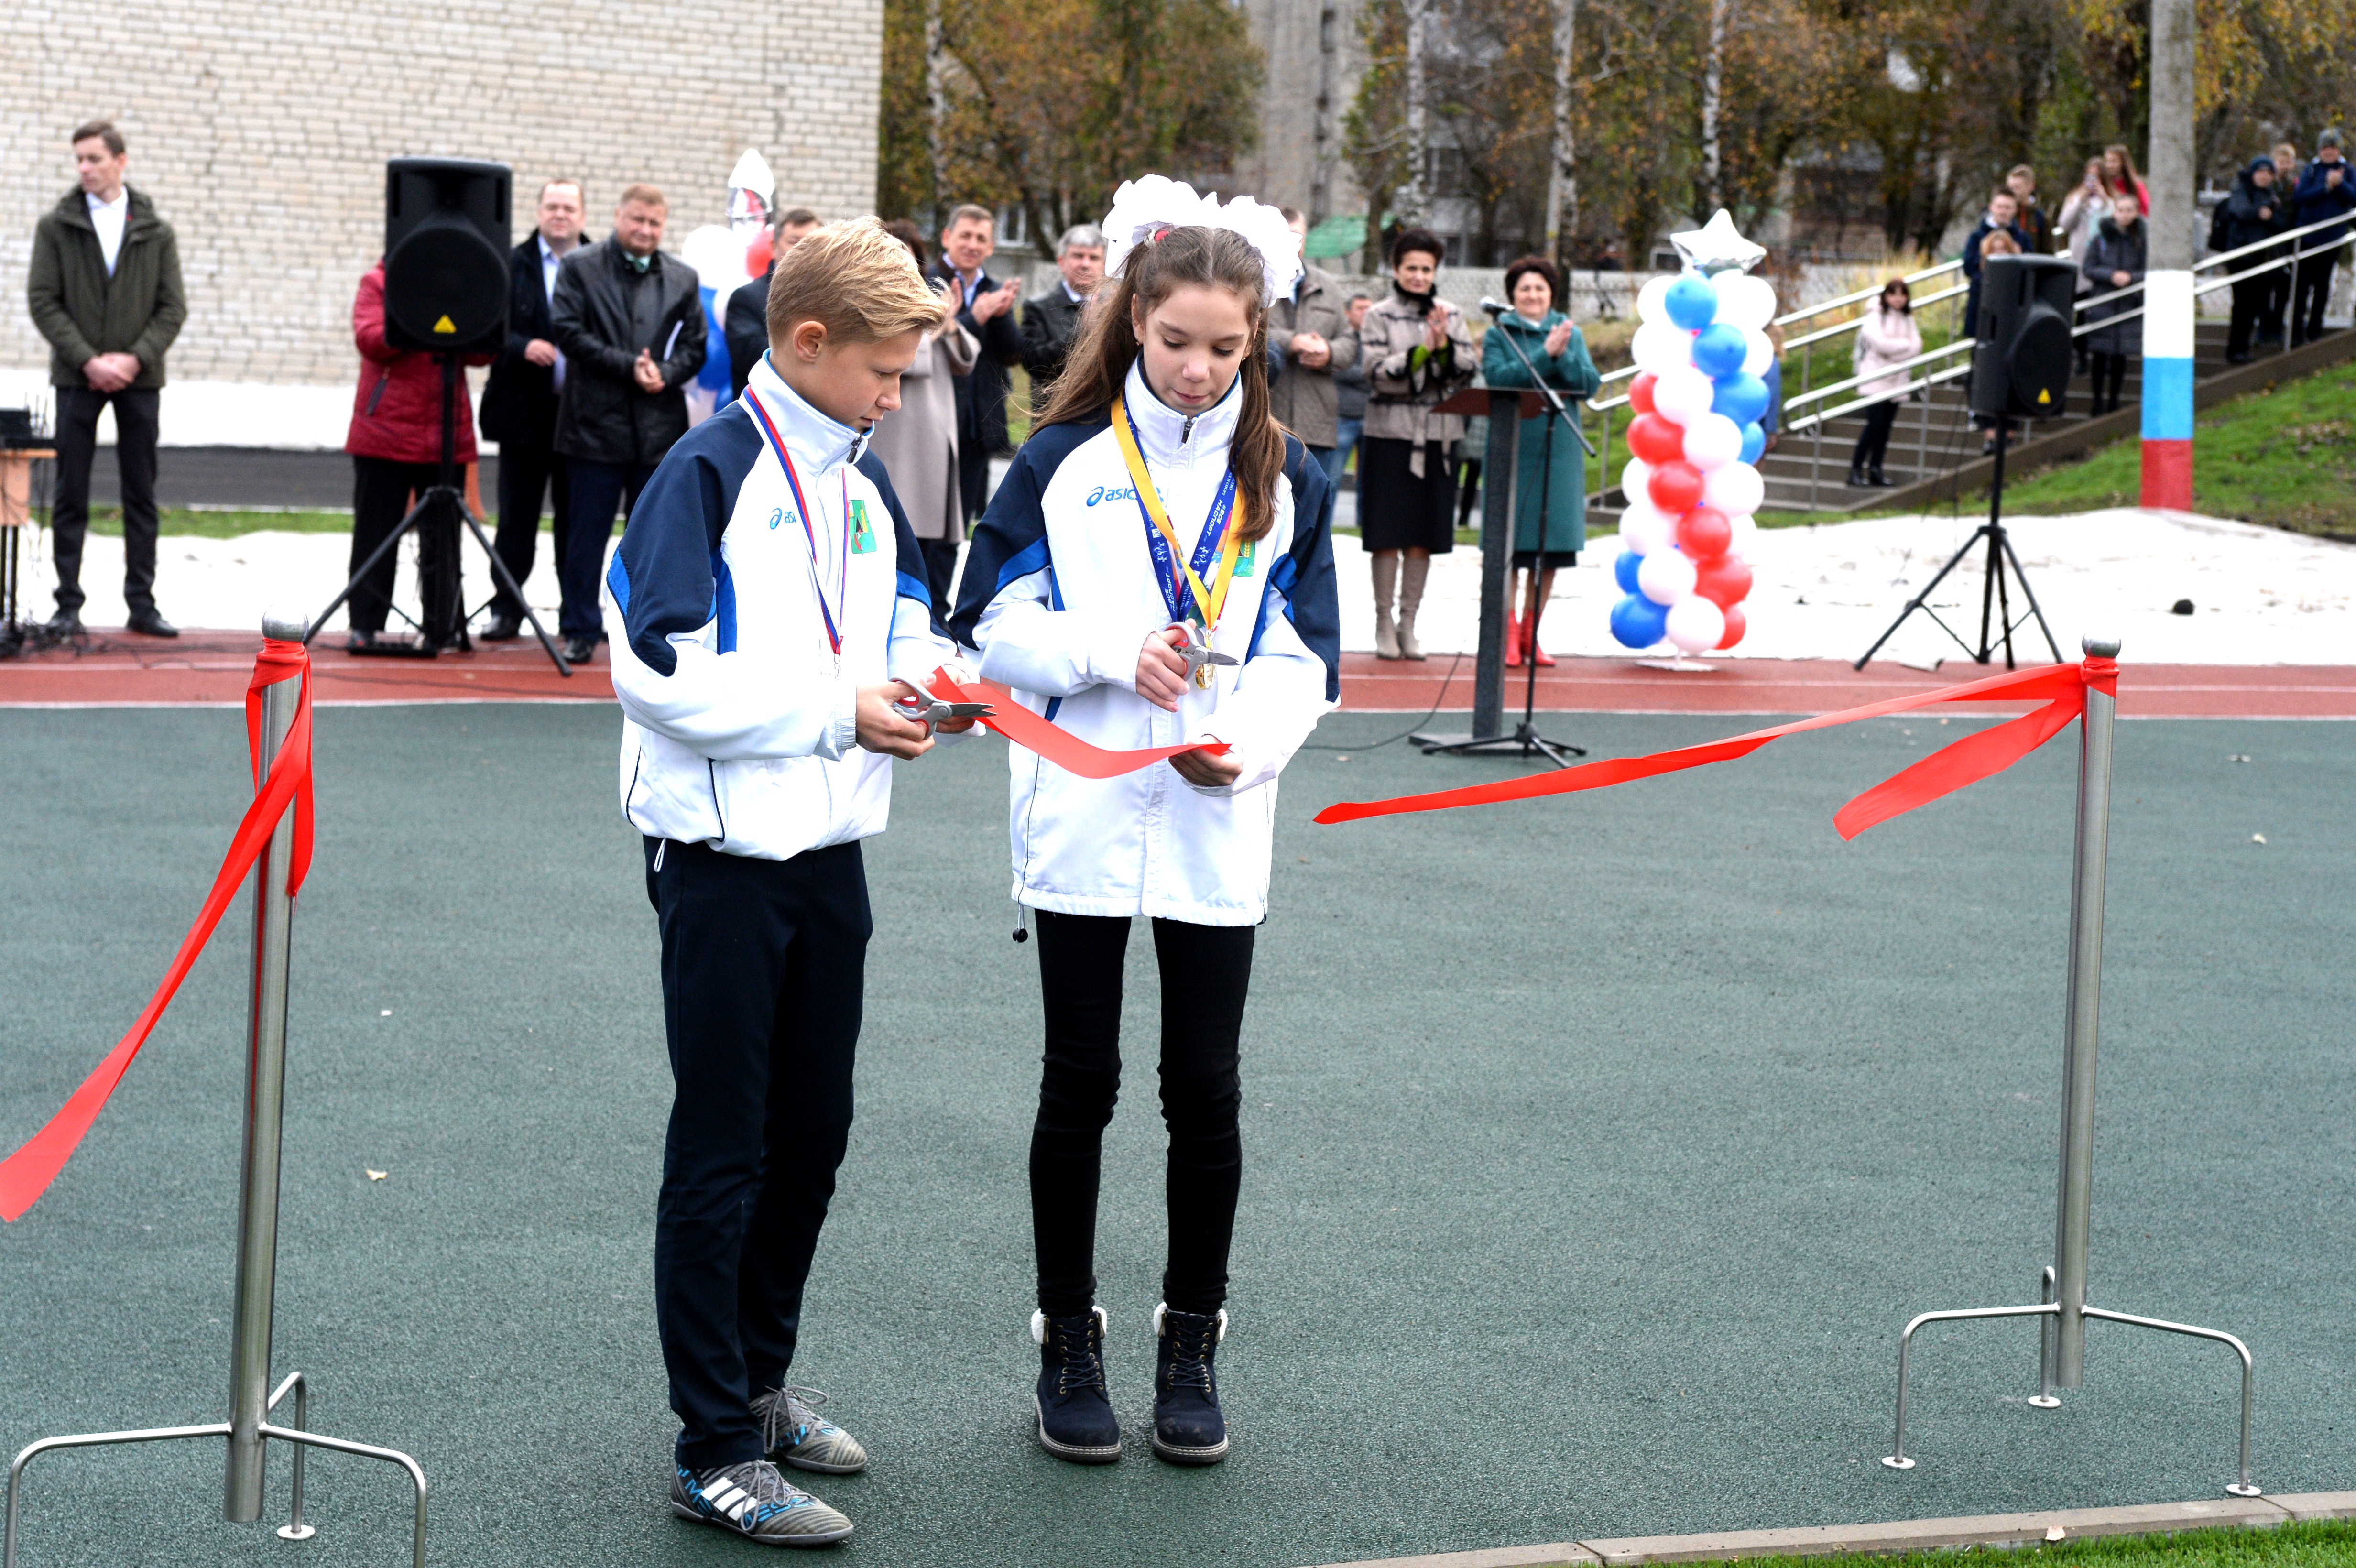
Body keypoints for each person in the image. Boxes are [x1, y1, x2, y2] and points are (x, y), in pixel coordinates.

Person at [947, 181, 1338, 1472]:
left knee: (1205, 1094)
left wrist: (1252, 744)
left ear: (1256, 341)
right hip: (1084, 816)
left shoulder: (1286, 484)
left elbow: (1308, 662)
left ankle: (1192, 1343)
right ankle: (1069, 1339)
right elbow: (986, 633)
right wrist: (1112, 654)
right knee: (1081, 1088)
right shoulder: (1064, 464)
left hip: (1219, 828)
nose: (1198, 367)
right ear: (1134, 320)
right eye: (1176, 339)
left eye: (1226, 347)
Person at [605, 217, 966, 1548]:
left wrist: (939, 684)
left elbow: (912, 618)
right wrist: (836, 709)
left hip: (830, 862)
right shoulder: (702, 475)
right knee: (724, 1148)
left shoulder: (862, 486)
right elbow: (658, 670)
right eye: (885, 372)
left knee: (811, 1136)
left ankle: (758, 1388)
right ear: (809, 346)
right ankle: (713, 1450)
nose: (897, 394)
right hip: (719, 868)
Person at [26, 119, 185, 640]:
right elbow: (44, 301)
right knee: (71, 493)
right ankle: (67, 605)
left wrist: (134, 359)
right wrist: (89, 361)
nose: (84, 169)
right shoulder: (58, 226)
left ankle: (142, 604)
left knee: (140, 492)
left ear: (121, 160)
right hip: (78, 379)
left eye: (94, 158)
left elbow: (171, 307)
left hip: (140, 380)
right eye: (79, 160)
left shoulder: (155, 231)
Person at [550, 184, 708, 665]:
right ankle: (579, 626)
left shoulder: (683, 278)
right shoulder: (579, 267)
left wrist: (668, 372)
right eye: (637, 220)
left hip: (659, 435)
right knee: (584, 537)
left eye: (654, 223)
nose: (644, 230)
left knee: (656, 540)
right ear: (618, 216)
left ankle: (646, 628)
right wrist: (627, 366)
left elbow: (695, 346)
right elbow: (567, 331)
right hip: (591, 429)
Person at [340, 260, 490, 650]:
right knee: (375, 534)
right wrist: (421, 312)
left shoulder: (461, 279)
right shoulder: (378, 282)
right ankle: (365, 624)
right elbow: (371, 339)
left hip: (445, 430)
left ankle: (441, 625)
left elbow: (484, 351)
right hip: (384, 431)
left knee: (443, 539)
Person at [1354, 229, 1473, 660]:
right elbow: (1375, 370)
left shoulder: (1451, 314)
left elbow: (1465, 369)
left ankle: (1409, 623)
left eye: (1427, 269)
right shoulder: (1379, 315)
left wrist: (1441, 349)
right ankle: (1383, 621)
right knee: (1388, 532)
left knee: (1423, 534)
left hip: (1439, 436)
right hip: (1390, 435)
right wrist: (1421, 353)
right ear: (1396, 270)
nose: (1420, 276)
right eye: (1412, 269)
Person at [477, 178, 586, 642]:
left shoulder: (600, 264)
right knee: (516, 519)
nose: (559, 214)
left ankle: (576, 616)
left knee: (576, 522)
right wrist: (522, 345)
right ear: (539, 211)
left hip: (582, 419)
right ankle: (506, 608)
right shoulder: (508, 263)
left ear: (582, 215)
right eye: (552, 206)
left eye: (568, 207)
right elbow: (485, 328)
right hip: (524, 415)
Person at [1480, 255, 1599, 667]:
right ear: (1513, 295)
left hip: (1560, 448)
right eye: (1525, 289)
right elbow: (1498, 379)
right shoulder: (1500, 333)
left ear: (1552, 294)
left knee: (1551, 548)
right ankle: (1508, 632)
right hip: (1515, 444)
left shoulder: (1570, 332)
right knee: (1513, 546)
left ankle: (1533, 631)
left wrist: (1562, 355)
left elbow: (1588, 384)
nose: (1533, 296)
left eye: (1540, 289)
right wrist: (1546, 356)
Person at [868, 219, 978, 607]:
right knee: (891, 528)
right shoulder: (873, 294)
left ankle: (932, 613)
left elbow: (967, 356)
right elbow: (898, 357)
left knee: (934, 539)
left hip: (934, 429)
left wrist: (949, 326)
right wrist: (942, 325)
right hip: (895, 432)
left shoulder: (935, 291)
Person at [930, 205, 1025, 523]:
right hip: (936, 416)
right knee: (930, 520)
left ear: (991, 247)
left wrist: (999, 318)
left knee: (962, 520)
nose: (972, 245)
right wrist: (975, 317)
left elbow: (1013, 354)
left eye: (980, 238)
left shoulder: (994, 290)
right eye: (965, 236)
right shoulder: (926, 283)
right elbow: (928, 345)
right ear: (947, 237)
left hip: (978, 421)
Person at [1264, 208, 1361, 483]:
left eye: (1298, 238)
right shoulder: (1256, 281)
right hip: (1268, 419)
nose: (1293, 246)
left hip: (1318, 421)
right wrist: (1290, 342)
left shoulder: (1327, 286)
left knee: (1315, 513)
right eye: (1285, 238)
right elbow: (1247, 334)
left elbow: (1349, 343)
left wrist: (1329, 353)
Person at [726, 208, 821, 399]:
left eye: (812, 243)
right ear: (774, 245)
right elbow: (752, 357)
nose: (802, 250)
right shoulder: (746, 298)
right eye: (794, 242)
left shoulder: (831, 298)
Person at [1020, 225, 1106, 412]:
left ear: (1104, 265)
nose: (1086, 264)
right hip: (1054, 417)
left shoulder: (1115, 308)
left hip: (1104, 417)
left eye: (1094, 258)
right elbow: (1034, 364)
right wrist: (1083, 330)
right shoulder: (1038, 307)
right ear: (1061, 262)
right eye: (1078, 256)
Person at [1847, 278, 1920, 487]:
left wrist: (1896, 351)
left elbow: (1917, 346)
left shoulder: (1908, 319)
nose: (1898, 299)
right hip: (1876, 379)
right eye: (1893, 294)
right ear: (1886, 296)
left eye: (1902, 294)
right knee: (1874, 425)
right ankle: (1856, 469)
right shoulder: (1875, 317)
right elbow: (1879, 344)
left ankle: (1876, 469)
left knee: (1886, 428)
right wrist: (1903, 348)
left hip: (1898, 381)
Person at [2218, 157, 2290, 363]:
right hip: (2241, 256)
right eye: (2261, 172)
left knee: (2252, 306)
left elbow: (2281, 222)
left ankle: (2243, 348)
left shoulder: (2271, 195)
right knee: (2242, 304)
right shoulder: (2242, 191)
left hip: (2261, 258)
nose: (2265, 176)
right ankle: (2236, 350)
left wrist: (2269, 215)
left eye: (2269, 173)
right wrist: (2261, 212)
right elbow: (2240, 212)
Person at [2290, 131, 2356, 346]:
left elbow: (2353, 198)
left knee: (2323, 286)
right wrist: (2326, 187)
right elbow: (2300, 197)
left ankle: (2315, 331)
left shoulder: (2349, 171)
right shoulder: (2310, 171)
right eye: (2325, 148)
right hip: (2308, 238)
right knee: (2301, 288)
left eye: (2333, 148)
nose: (2329, 152)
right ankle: (2296, 334)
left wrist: (2339, 185)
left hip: (2333, 238)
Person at [2080, 209, 2146, 415]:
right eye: (2121, 210)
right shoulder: (2100, 240)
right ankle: (2097, 401)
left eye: (2129, 210)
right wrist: (2111, 275)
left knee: (2121, 356)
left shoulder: (2141, 241)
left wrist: (2131, 278)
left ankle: (2114, 401)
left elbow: (2148, 269)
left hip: (2128, 304)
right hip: (2103, 302)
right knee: (2099, 354)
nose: (2125, 215)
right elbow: (2088, 268)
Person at [1974, 228, 2022, 451]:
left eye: (2003, 250)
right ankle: (1990, 433)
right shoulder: (1981, 276)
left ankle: (2009, 433)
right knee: (1983, 381)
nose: (1999, 253)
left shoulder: (2019, 275)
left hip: (2011, 335)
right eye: (1995, 250)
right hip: (1987, 335)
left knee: (2011, 381)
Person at [1962, 188, 2029, 337]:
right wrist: (1987, 258)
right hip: (1983, 301)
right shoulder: (1976, 236)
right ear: (1992, 207)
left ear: (2015, 210)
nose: (2003, 211)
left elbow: (2030, 271)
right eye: (2000, 207)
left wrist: (2018, 257)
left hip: (2011, 303)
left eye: (2008, 207)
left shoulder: (2022, 238)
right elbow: (1968, 267)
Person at [2264, 141, 2305, 346]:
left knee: (2283, 289)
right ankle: (2265, 328)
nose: (2285, 166)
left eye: (2289, 162)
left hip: (2286, 244)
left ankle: (2277, 326)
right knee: (2264, 290)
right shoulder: (2267, 184)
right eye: (2282, 161)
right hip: (2268, 244)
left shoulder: (2294, 186)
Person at [1330, 294, 1372, 486]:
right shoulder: (1340, 338)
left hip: (1372, 418)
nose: (1366, 313)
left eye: (1369, 308)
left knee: (1370, 483)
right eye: (1360, 308)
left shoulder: (1377, 339)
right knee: (1333, 477)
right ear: (1347, 313)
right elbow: (1339, 368)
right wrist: (1372, 373)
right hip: (1343, 417)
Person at [2007, 165, 2054, 254]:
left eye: (2017, 187)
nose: (2012, 192)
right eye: (2010, 188)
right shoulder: (2004, 215)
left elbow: (2048, 252)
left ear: (2031, 187)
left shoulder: (2041, 218)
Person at [2102, 144, 2151, 215]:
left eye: (2114, 161)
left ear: (2123, 163)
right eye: (2108, 161)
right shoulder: (2103, 183)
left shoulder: (2136, 186)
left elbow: (2146, 210)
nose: (2110, 166)